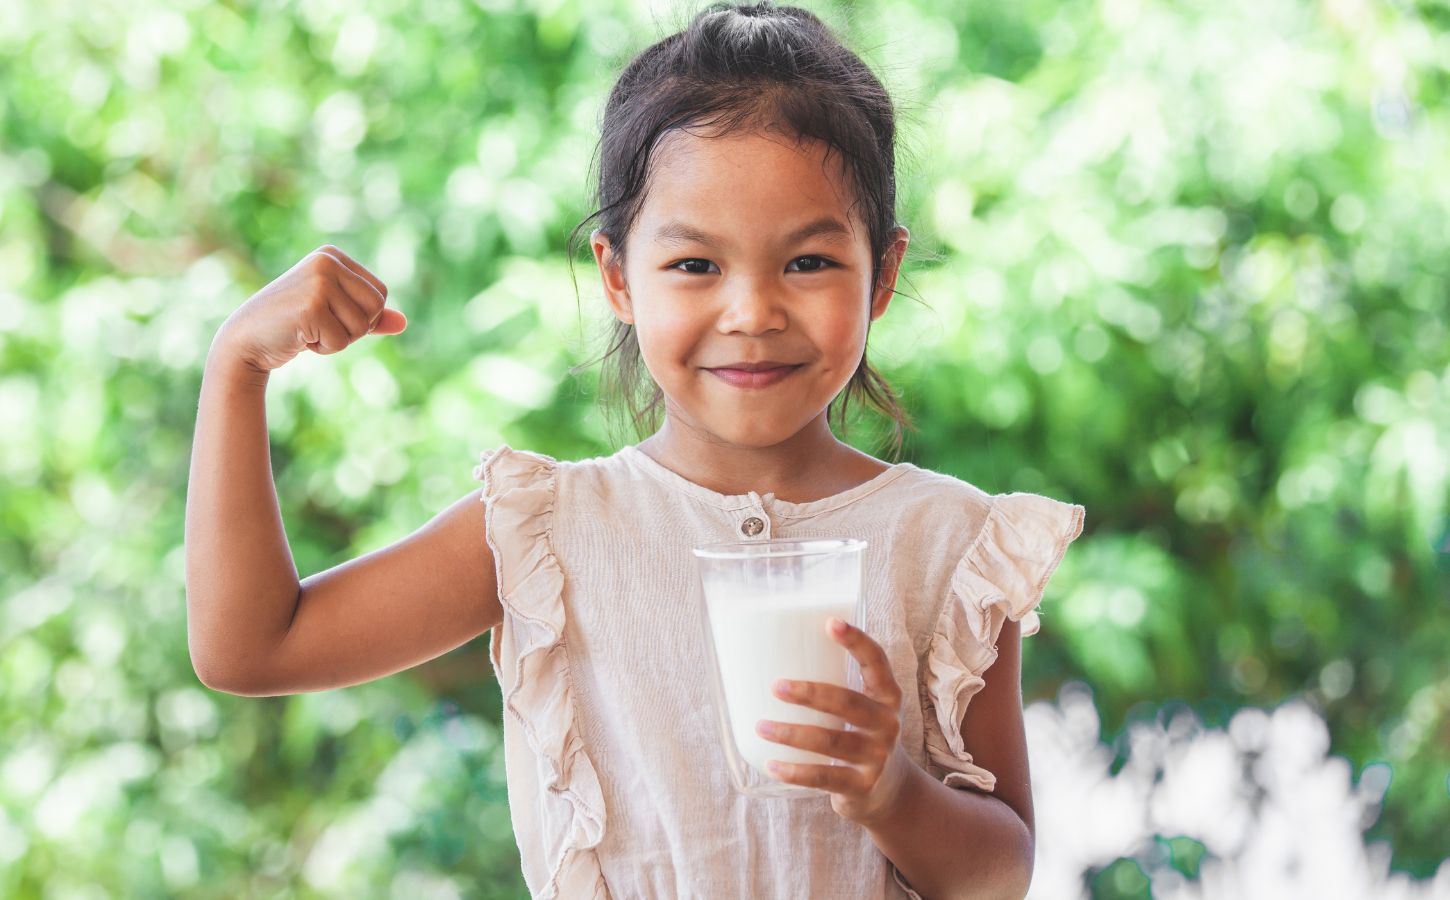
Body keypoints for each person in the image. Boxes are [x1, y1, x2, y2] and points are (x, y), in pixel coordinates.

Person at [184, 2, 1086, 897]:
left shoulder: (948, 544)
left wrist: (890, 791)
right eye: (696, 265)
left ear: (883, 274)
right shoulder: (545, 537)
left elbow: (996, 876)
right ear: (617, 276)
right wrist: (238, 367)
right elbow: (254, 648)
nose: (753, 312)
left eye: (807, 262)